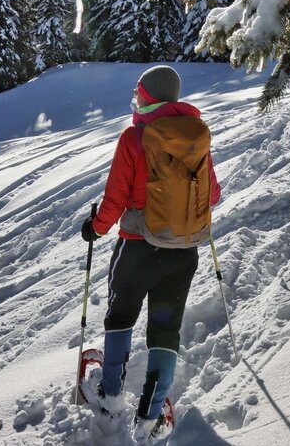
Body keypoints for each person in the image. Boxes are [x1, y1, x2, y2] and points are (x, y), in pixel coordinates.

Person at [80, 65, 221, 439]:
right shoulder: (195, 137)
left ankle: (111, 394)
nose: (136, 99)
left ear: (148, 97)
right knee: (165, 330)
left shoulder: (134, 138)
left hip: (138, 249)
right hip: (183, 252)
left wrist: (95, 228)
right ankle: (151, 415)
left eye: (139, 93)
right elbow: (213, 194)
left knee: (120, 316)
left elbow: (115, 198)